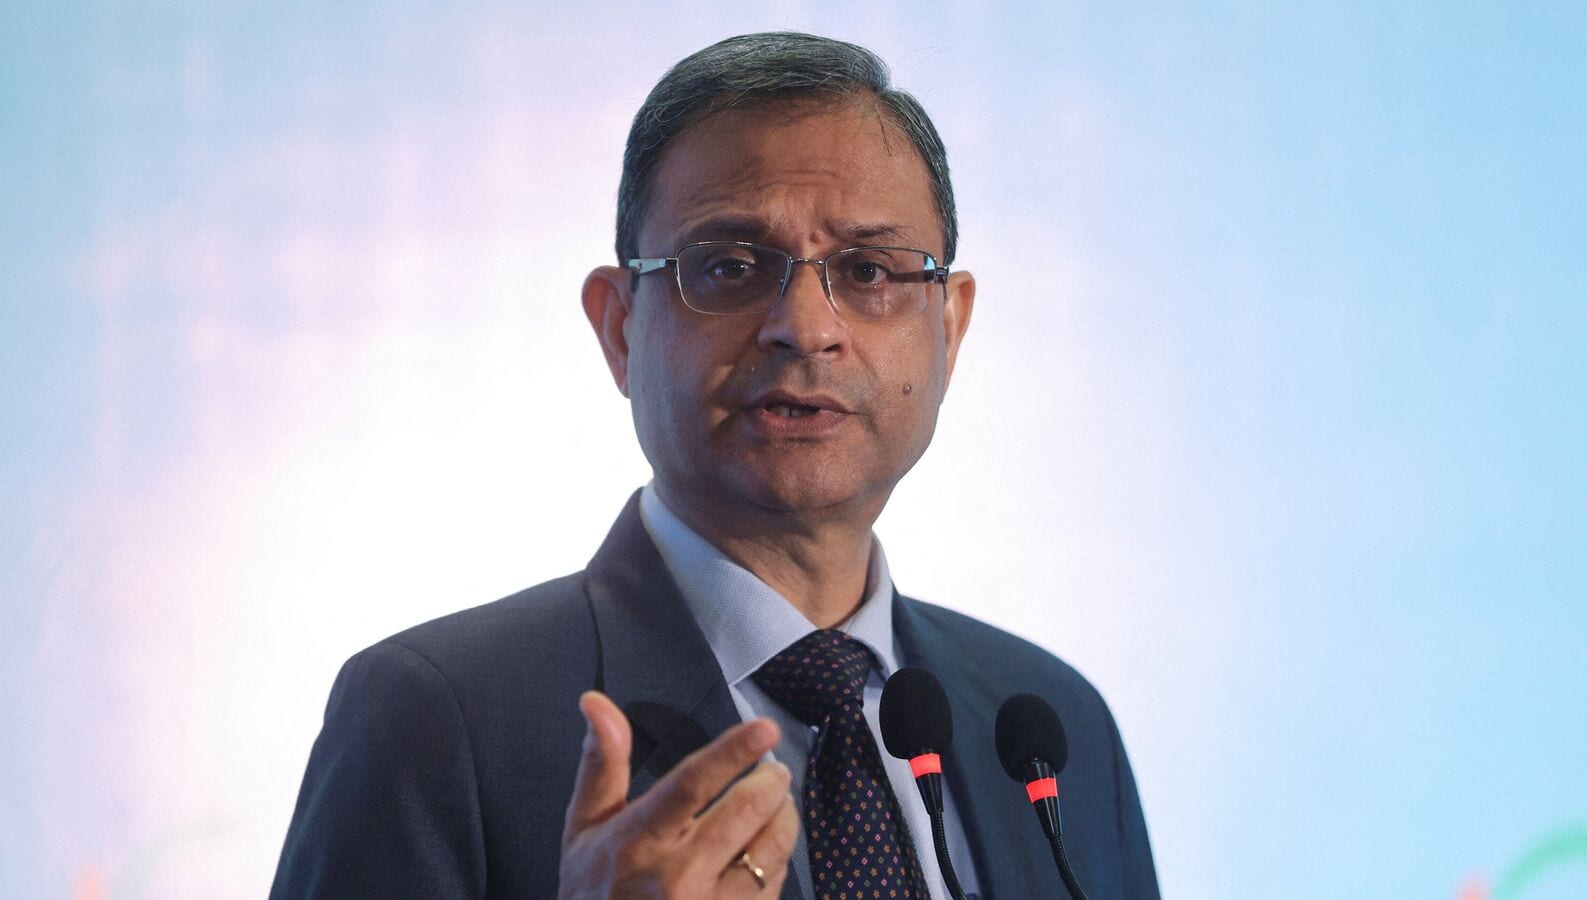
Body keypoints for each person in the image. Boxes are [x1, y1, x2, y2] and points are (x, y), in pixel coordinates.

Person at [271, 32, 1159, 900]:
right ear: (620, 327)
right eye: (731, 266)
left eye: (869, 269)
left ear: (950, 327)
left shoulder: (1050, 723)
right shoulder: (439, 721)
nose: (806, 327)